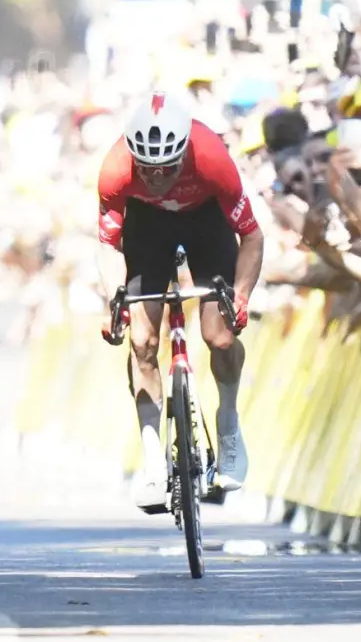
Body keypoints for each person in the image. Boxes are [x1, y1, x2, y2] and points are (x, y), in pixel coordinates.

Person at [96, 91, 263, 512]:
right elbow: (108, 246)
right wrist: (113, 301)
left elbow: (253, 237)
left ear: (183, 154)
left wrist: (240, 295)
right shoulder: (116, 169)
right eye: (147, 169)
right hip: (147, 226)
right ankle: (153, 456)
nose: (156, 177)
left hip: (206, 220)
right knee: (142, 341)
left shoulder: (211, 158)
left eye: (166, 168)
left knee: (220, 336)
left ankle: (227, 423)